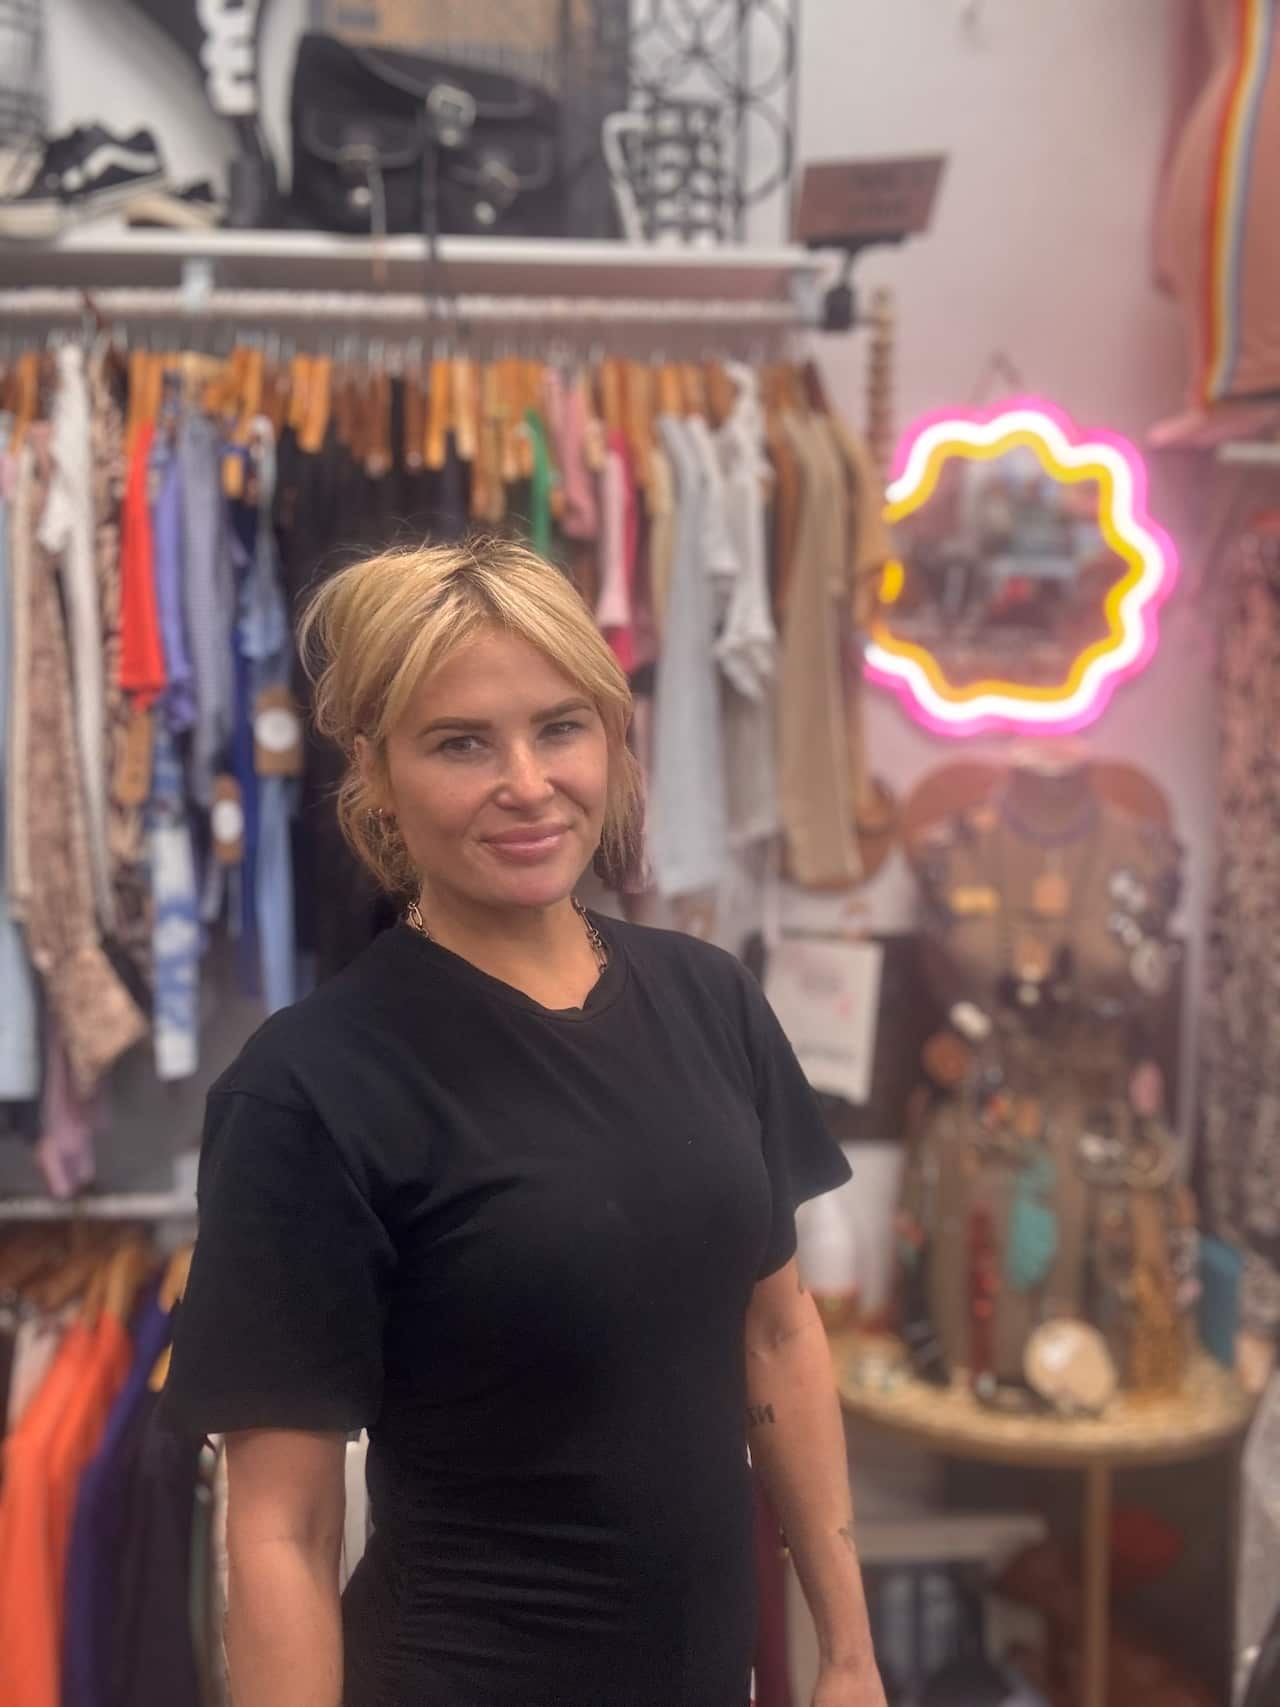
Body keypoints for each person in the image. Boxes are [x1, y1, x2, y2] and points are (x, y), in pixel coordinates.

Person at [161, 538, 886, 1707]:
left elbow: (777, 1337)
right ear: (379, 774)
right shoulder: (310, 1088)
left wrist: (844, 1652)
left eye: (559, 726)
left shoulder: (709, 1000)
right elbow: (282, 1530)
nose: (528, 782)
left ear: (609, 733)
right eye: (460, 743)